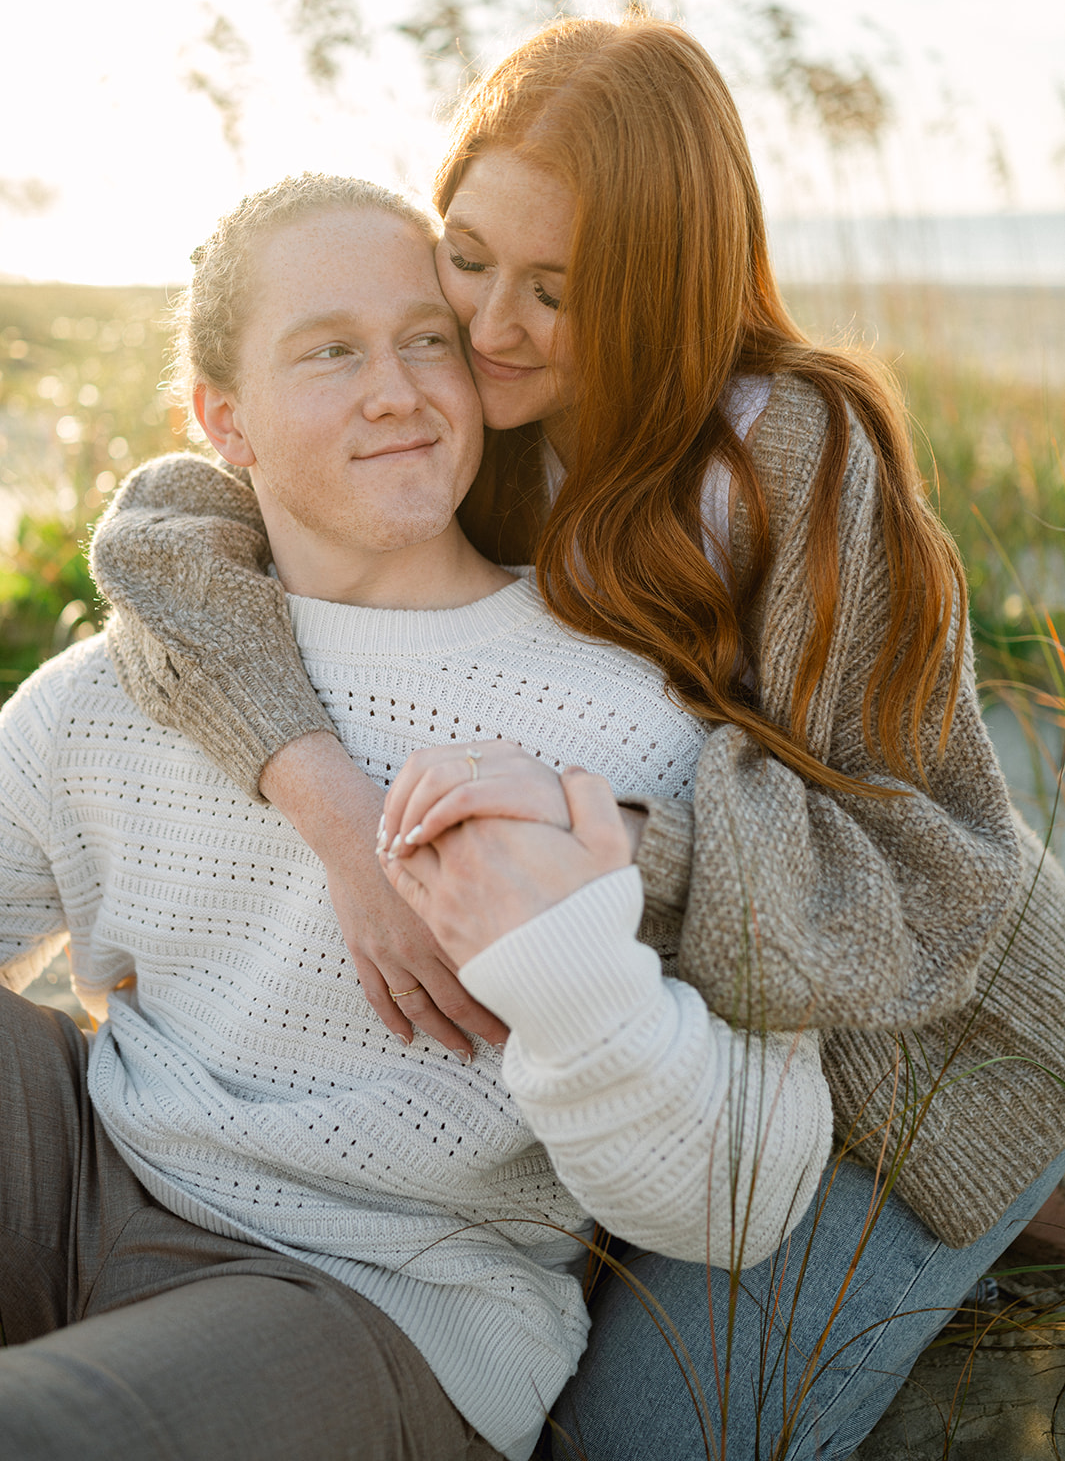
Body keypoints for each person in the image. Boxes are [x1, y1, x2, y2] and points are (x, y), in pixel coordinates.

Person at [88, 18, 1065, 1459]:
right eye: (467, 257)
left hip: (916, 1074)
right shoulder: (462, 419)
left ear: (668, 286)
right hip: (658, 1069)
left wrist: (592, 854)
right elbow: (166, 537)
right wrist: (331, 803)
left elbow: (918, 868)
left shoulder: (786, 453)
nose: (487, 327)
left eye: (559, 291)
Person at [0, 175, 834, 1461]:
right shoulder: (127, 682)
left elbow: (752, 1189)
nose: (394, 388)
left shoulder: (623, 716)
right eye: (331, 351)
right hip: (94, 1161)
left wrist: (575, 978)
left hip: (373, 1295)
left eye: (424, 341)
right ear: (224, 419)